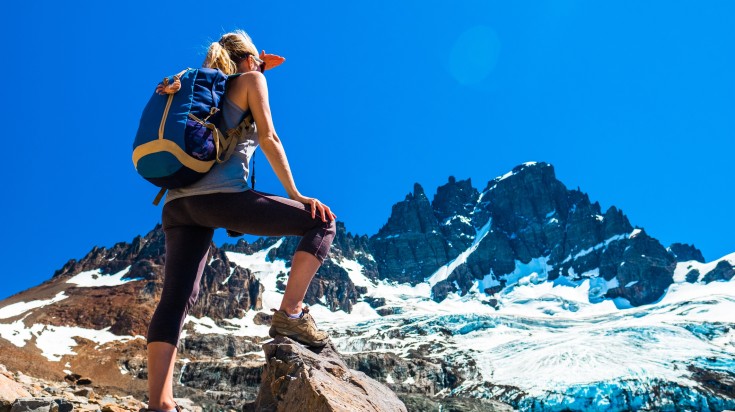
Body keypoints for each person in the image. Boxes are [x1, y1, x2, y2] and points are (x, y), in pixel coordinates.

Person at [142, 30, 337, 412]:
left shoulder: (200, 91)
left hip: (178, 208)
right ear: (249, 60)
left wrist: (257, 64)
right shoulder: (251, 81)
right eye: (257, 61)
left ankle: (159, 404)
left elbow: (234, 96)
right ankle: (291, 315)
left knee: (175, 301)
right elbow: (269, 137)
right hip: (221, 200)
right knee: (321, 223)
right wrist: (296, 195)